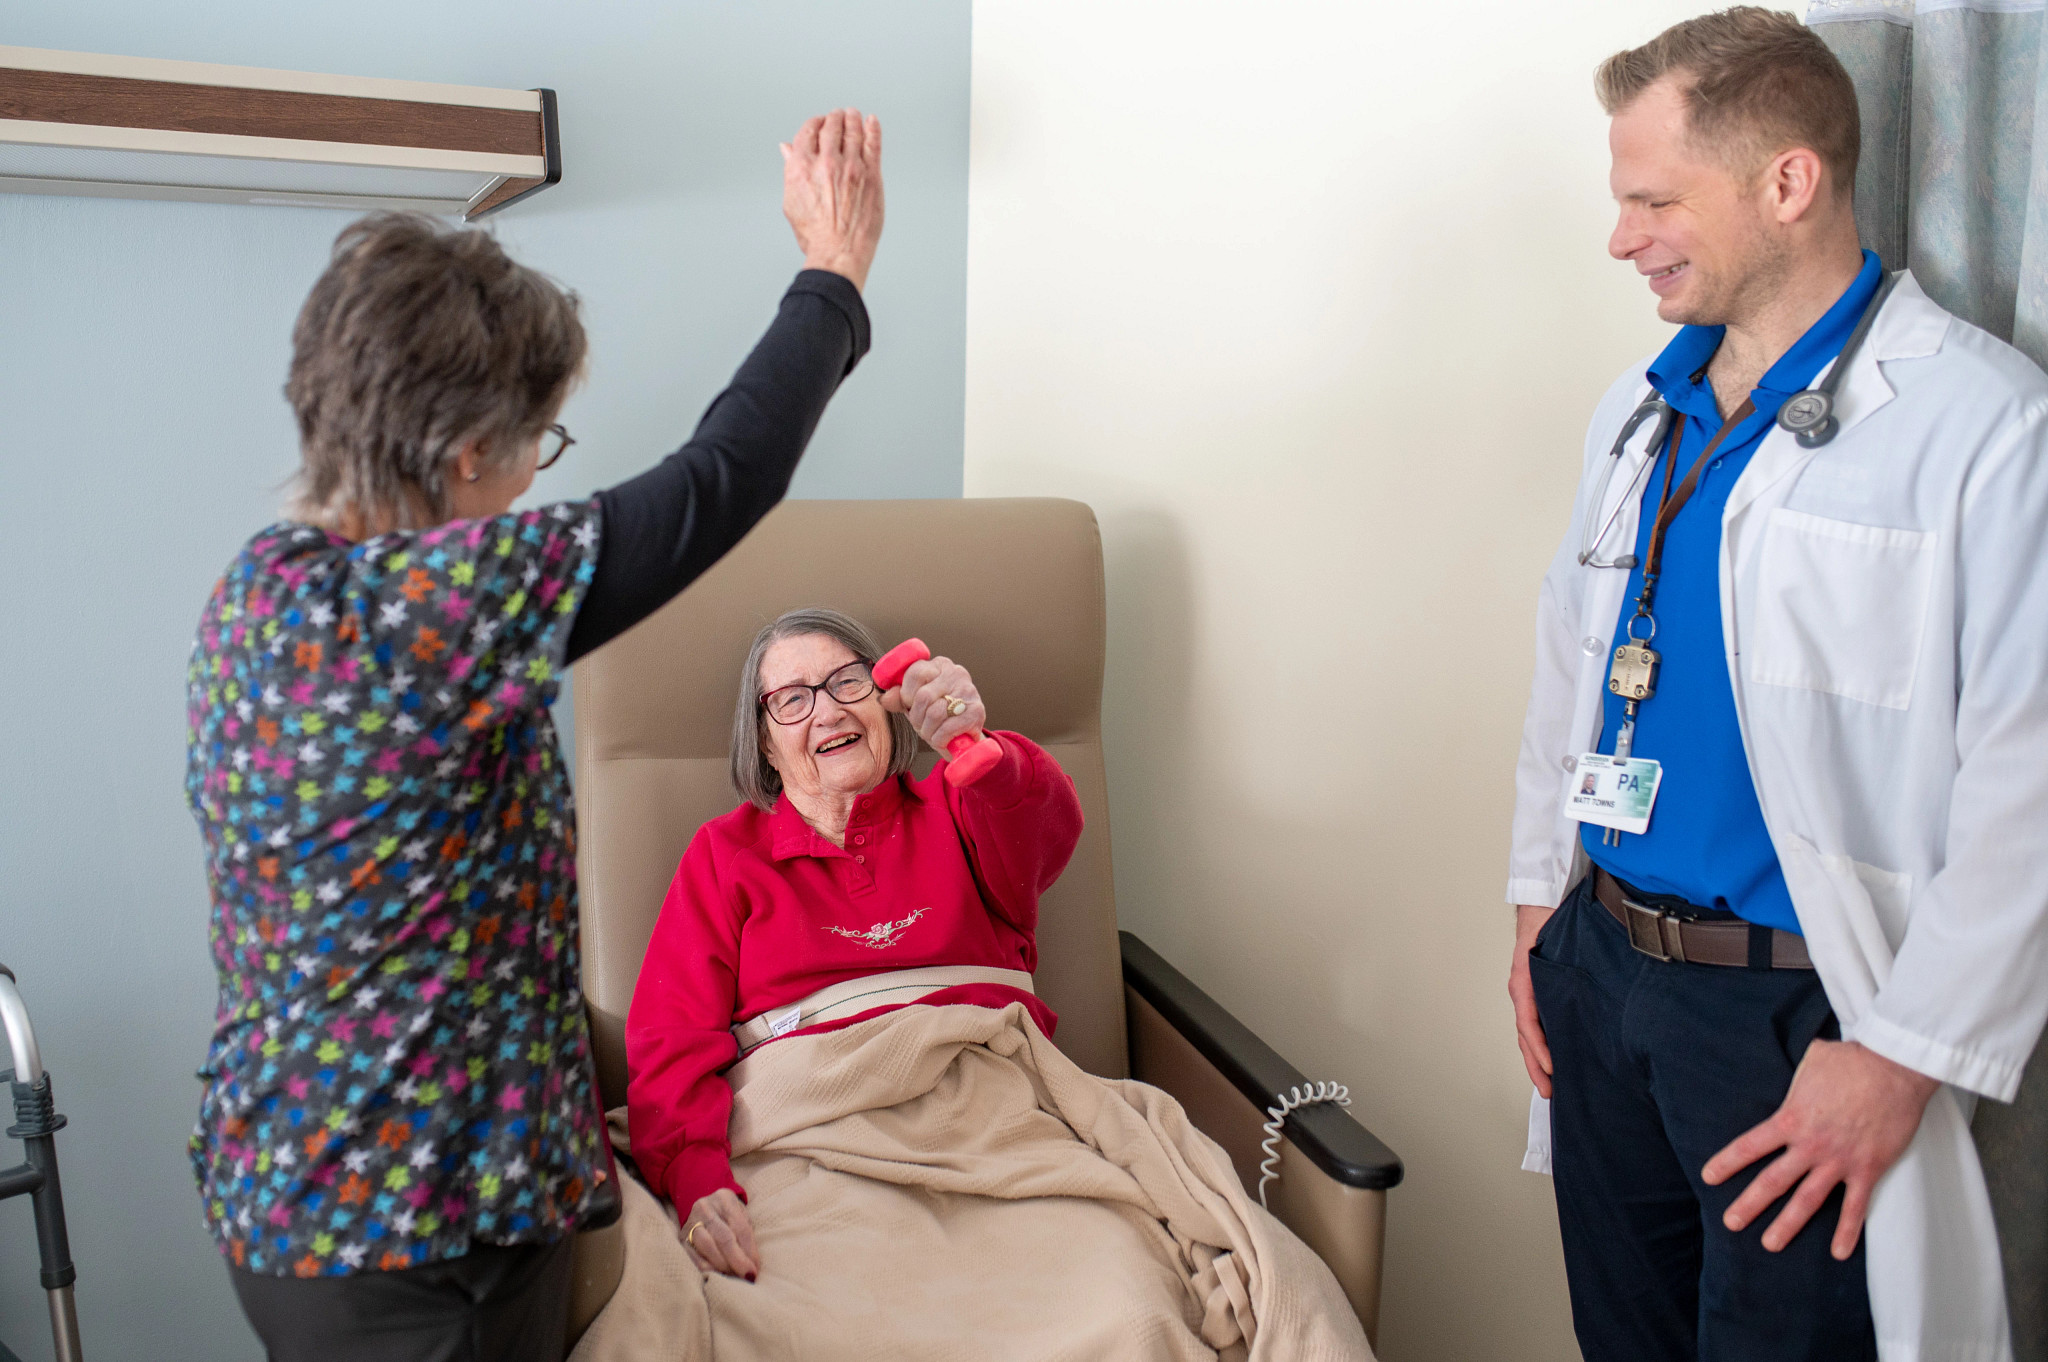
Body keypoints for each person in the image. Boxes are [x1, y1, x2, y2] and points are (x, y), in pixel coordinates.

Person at [184, 109, 884, 1360]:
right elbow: (725, 475)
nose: (535, 480)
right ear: (461, 455)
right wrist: (830, 270)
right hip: (414, 1232)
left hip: (294, 1194)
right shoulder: (428, 609)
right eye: (535, 447)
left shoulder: (261, 587)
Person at [1505, 10, 2047, 1360]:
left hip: (1796, 1017)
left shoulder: (1982, 428)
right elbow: (1571, 653)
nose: (1623, 237)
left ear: (1787, 184)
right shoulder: (1639, 406)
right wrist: (1537, 909)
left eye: (1653, 199)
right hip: (1603, 971)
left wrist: (1905, 1053)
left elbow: (2029, 778)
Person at [625, 608, 1082, 1278]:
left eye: (848, 683)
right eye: (791, 699)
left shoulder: (965, 804)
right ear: (764, 744)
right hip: (814, 1153)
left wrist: (975, 744)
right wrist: (699, 1179)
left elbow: (1047, 828)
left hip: (995, 1134)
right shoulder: (725, 854)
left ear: (887, 702)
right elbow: (671, 1040)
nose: (828, 712)